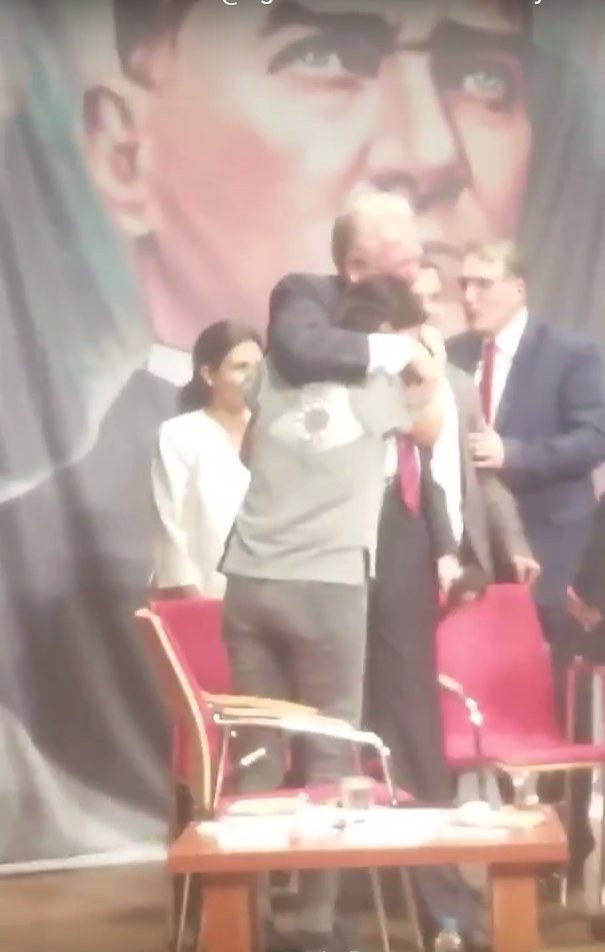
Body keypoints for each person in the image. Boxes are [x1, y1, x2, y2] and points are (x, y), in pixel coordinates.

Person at [266, 194, 492, 951]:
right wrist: (397, 352)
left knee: (413, 719)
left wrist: (445, 541)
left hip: (398, 538)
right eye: (398, 246)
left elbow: (426, 446)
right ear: (355, 261)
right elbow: (300, 353)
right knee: (330, 725)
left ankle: (442, 907)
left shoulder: (417, 324)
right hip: (323, 543)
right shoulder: (308, 299)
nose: (415, 254)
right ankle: (319, 912)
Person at [220, 273, 445, 952]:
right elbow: (432, 426)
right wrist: (426, 359)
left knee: (257, 755)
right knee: (328, 756)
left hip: (250, 577)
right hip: (327, 584)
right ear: (387, 335)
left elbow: (248, 448)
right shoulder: (381, 386)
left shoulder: (273, 373)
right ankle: (315, 924)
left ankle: (248, 920)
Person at [448, 239, 605, 660]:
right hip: (472, 549)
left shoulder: (571, 353)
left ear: (518, 287)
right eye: (463, 284)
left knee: (538, 673)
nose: (468, 297)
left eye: (483, 284)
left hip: (547, 544)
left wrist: (513, 454)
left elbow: (593, 439)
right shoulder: (451, 355)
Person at [413, 263, 539, 594]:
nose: (430, 311)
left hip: (467, 559)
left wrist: (514, 545)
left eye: (434, 298)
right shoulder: (375, 383)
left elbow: (482, 474)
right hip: (407, 560)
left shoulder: (459, 384)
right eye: (417, 299)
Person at [150, 319, 262, 598]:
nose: (253, 377)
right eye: (240, 367)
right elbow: (170, 522)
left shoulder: (279, 433)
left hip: (271, 599)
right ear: (209, 375)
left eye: (259, 368)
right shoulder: (179, 434)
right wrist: (190, 596)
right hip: (204, 594)